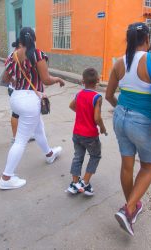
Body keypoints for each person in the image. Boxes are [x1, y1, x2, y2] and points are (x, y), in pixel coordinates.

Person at [105, 22, 151, 236]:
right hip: (142, 122)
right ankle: (128, 210)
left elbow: (108, 96)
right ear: (147, 39)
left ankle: (132, 206)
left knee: (127, 166)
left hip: (120, 118)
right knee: (147, 167)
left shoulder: (119, 62)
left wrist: (124, 112)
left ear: (128, 40)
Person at [0, 27, 65, 190]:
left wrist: (17, 80)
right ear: (34, 39)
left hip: (16, 98)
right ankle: (6, 177)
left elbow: (5, 80)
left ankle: (49, 154)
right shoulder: (37, 54)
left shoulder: (11, 56)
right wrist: (57, 79)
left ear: (20, 40)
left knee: (38, 128)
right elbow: (46, 80)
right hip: (30, 100)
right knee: (21, 140)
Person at [67, 68, 106, 196]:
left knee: (78, 156)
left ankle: (74, 184)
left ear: (83, 81)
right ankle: (85, 183)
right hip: (90, 135)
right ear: (98, 81)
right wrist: (102, 127)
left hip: (77, 133)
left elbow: (71, 106)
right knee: (95, 156)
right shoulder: (97, 97)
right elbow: (96, 117)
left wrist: (82, 114)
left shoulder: (79, 94)